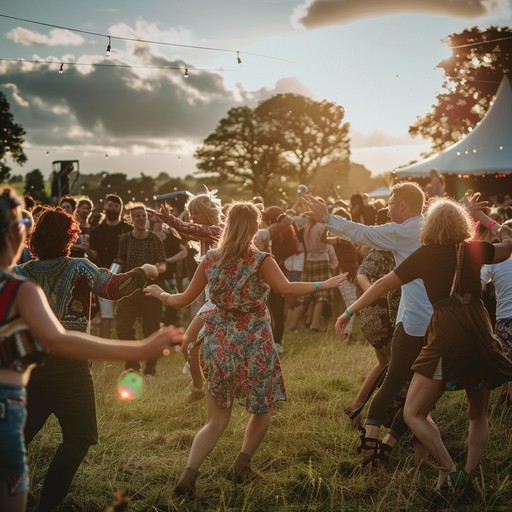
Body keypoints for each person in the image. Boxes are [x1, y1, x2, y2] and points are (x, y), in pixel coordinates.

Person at [144, 201, 347, 497]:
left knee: (215, 421)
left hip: (219, 344)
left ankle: (188, 476)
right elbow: (287, 289)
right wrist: (323, 284)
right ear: (255, 228)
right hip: (254, 344)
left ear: (227, 224)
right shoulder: (261, 259)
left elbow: (183, 300)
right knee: (262, 408)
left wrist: (160, 293)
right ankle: (241, 464)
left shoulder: (210, 260)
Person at [0, 188, 182, 512]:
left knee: (19, 440)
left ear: (36, 238)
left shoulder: (20, 273)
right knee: (79, 438)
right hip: (71, 368)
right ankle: (46, 506)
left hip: (31, 369)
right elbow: (112, 287)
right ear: (70, 236)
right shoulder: (80, 267)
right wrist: (146, 272)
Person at [335, 197, 512, 490]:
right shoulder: (474, 249)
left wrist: (348, 311)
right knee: (478, 413)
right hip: (480, 327)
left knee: (413, 411)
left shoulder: (424, 255)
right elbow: (508, 244)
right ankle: (466, 474)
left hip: (447, 330)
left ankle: (449, 467)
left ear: (429, 225)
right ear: (461, 224)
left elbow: (380, 285)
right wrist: (488, 219)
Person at [304, 182, 433, 468]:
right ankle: (397, 450)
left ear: (402, 205)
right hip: (437, 323)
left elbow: (364, 233)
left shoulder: (405, 231)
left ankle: (375, 446)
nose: (387, 207)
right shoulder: (433, 228)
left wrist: (326, 217)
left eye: (390, 201)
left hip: (412, 322)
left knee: (398, 384)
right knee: (424, 393)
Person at [152, 189, 224, 401]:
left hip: (223, 299)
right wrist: (175, 222)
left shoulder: (217, 230)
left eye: (195, 213)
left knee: (191, 343)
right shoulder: (207, 232)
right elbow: (187, 231)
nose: (192, 218)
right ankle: (198, 387)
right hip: (213, 296)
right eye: (191, 214)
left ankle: (201, 388)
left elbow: (187, 227)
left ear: (206, 213)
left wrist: (171, 219)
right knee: (189, 344)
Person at [115, 202, 167, 379]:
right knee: (123, 327)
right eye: (137, 215)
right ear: (131, 218)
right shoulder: (124, 239)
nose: (141, 218)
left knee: (151, 329)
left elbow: (162, 263)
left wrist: (156, 269)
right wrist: (112, 274)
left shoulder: (154, 239)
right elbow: (120, 260)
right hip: (129, 289)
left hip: (150, 289)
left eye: (143, 215)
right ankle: (133, 365)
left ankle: (150, 370)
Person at [88, 194, 133, 338]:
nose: (112, 208)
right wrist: (87, 250)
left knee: (124, 315)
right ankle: (104, 349)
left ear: (121, 209)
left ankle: (126, 346)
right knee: (106, 316)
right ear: (104, 208)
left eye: (115, 205)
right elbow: (94, 255)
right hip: (104, 277)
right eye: (110, 205)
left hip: (126, 277)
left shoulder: (128, 229)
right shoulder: (97, 231)